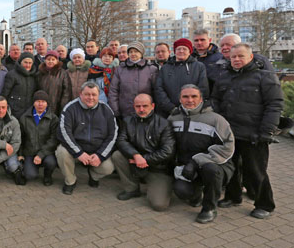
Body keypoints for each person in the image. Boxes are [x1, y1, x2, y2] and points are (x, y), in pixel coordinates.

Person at [211, 43, 284, 219]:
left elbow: (274, 105)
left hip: (254, 134)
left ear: (250, 57)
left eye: (240, 56)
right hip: (229, 133)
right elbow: (215, 99)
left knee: (256, 170)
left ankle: (265, 204)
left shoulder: (264, 77)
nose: (236, 59)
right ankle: (233, 196)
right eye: (233, 56)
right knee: (231, 168)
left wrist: (267, 131)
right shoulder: (224, 77)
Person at [169, 85, 235, 224]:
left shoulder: (215, 119)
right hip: (187, 167)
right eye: (185, 97)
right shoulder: (173, 119)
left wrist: (195, 161)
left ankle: (209, 208)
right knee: (181, 190)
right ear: (180, 99)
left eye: (194, 96)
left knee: (210, 169)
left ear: (201, 99)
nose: (190, 100)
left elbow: (227, 147)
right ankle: (196, 195)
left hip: (215, 164)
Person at [111, 94, 175, 211]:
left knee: (159, 205)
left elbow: (167, 151)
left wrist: (145, 159)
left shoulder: (164, 124)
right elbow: (121, 141)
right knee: (117, 156)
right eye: (138, 106)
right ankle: (132, 189)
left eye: (145, 106)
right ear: (134, 107)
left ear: (153, 106)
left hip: (158, 168)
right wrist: (136, 156)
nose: (141, 109)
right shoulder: (127, 121)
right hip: (136, 161)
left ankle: (160, 186)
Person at [56, 82, 118, 195]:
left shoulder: (106, 110)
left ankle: (94, 175)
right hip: (77, 149)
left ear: (99, 95)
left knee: (109, 168)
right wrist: (78, 152)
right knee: (61, 152)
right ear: (81, 94)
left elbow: (113, 135)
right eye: (87, 94)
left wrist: (100, 155)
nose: (90, 98)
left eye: (94, 95)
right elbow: (64, 132)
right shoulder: (70, 108)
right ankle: (70, 181)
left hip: (96, 151)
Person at [155, 38, 209, 117]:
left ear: (189, 51)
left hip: (193, 112)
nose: (181, 51)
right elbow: (159, 89)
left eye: (184, 49)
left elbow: (203, 88)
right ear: (174, 51)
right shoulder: (165, 68)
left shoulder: (199, 67)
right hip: (169, 112)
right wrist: (170, 108)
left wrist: (193, 107)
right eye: (178, 49)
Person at [18, 90, 59, 185]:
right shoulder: (24, 118)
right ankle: (28, 168)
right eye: (38, 101)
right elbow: (20, 138)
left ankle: (47, 176)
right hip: (30, 152)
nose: (40, 104)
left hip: (46, 152)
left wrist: (41, 154)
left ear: (47, 104)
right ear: (33, 103)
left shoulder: (53, 119)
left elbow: (53, 139)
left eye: (43, 101)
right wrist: (20, 154)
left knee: (51, 163)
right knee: (30, 175)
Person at [109, 42, 158, 118]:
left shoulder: (151, 69)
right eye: (130, 52)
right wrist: (115, 110)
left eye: (136, 51)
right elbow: (113, 91)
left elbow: (156, 91)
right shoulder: (120, 69)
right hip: (125, 111)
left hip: (146, 111)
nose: (133, 54)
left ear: (141, 53)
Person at [1, 52, 38, 119]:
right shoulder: (12, 75)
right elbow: (5, 93)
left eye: (30, 63)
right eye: (25, 62)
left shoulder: (33, 76)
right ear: (21, 62)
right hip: (14, 111)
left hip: (28, 112)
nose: (28, 65)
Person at [37, 50, 72, 116]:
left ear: (57, 61)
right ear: (45, 60)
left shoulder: (63, 74)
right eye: (48, 59)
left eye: (53, 59)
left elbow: (66, 93)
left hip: (57, 108)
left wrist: (62, 108)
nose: (50, 61)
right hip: (42, 107)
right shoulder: (40, 74)